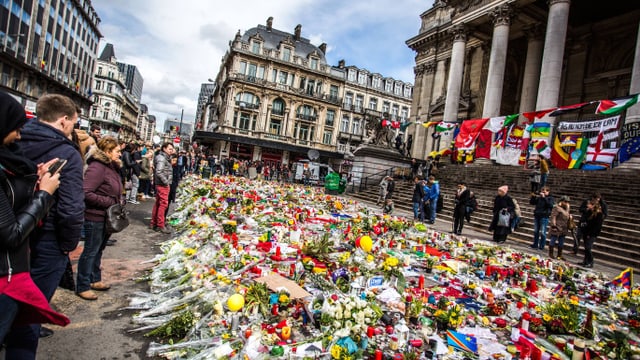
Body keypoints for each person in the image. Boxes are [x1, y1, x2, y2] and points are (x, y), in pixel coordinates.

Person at [6, 93, 85, 358]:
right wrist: (68, 245)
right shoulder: (66, 153)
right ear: (64, 120)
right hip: (45, 238)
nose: (73, 129)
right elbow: (71, 208)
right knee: (28, 318)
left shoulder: (14, 143)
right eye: (73, 123)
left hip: (12, 243)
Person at [76, 136, 123, 301]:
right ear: (108, 151)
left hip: (106, 217)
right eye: (117, 151)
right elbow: (86, 192)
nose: (120, 154)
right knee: (90, 251)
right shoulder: (97, 167)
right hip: (95, 216)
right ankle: (82, 285)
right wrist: (109, 201)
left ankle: (95, 279)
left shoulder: (111, 167)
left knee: (98, 249)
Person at [151, 142, 175, 234]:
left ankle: (154, 223)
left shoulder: (163, 157)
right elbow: (159, 172)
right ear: (164, 148)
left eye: (172, 149)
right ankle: (160, 225)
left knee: (158, 203)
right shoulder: (162, 158)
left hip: (161, 183)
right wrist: (166, 182)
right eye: (169, 149)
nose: (171, 151)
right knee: (163, 204)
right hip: (162, 184)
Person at [577, 199, 604, 268]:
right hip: (586, 232)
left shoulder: (599, 214)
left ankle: (590, 261)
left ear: (593, 205)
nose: (587, 205)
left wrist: (591, 234)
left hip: (592, 234)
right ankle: (585, 261)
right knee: (586, 247)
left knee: (588, 248)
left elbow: (597, 226)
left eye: (589, 204)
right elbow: (585, 219)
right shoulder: (589, 212)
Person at [529, 186, 554, 250]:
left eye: (544, 191)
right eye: (542, 191)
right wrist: (533, 196)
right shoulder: (539, 198)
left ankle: (541, 246)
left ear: (548, 192)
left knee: (543, 232)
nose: (543, 192)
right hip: (537, 215)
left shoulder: (550, 198)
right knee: (536, 231)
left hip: (544, 216)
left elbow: (550, 205)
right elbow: (532, 202)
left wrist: (544, 198)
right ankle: (535, 244)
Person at [548, 195, 572, 260]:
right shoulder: (556, 207)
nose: (567, 203)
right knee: (553, 239)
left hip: (564, 227)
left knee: (561, 242)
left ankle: (559, 255)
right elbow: (553, 217)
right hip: (557, 226)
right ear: (561, 201)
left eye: (567, 202)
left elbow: (567, 215)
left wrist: (568, 209)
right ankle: (551, 254)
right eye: (565, 201)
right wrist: (554, 225)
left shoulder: (566, 208)